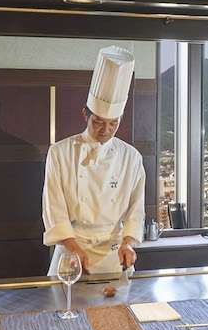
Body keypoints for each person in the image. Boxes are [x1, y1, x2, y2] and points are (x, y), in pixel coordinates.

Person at [42, 46, 145, 275]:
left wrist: (129, 242)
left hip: (115, 257)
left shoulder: (131, 157)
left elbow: (136, 210)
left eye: (113, 123)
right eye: (98, 122)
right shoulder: (60, 153)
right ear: (85, 114)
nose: (106, 130)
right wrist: (73, 248)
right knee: (65, 299)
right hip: (71, 254)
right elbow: (54, 208)